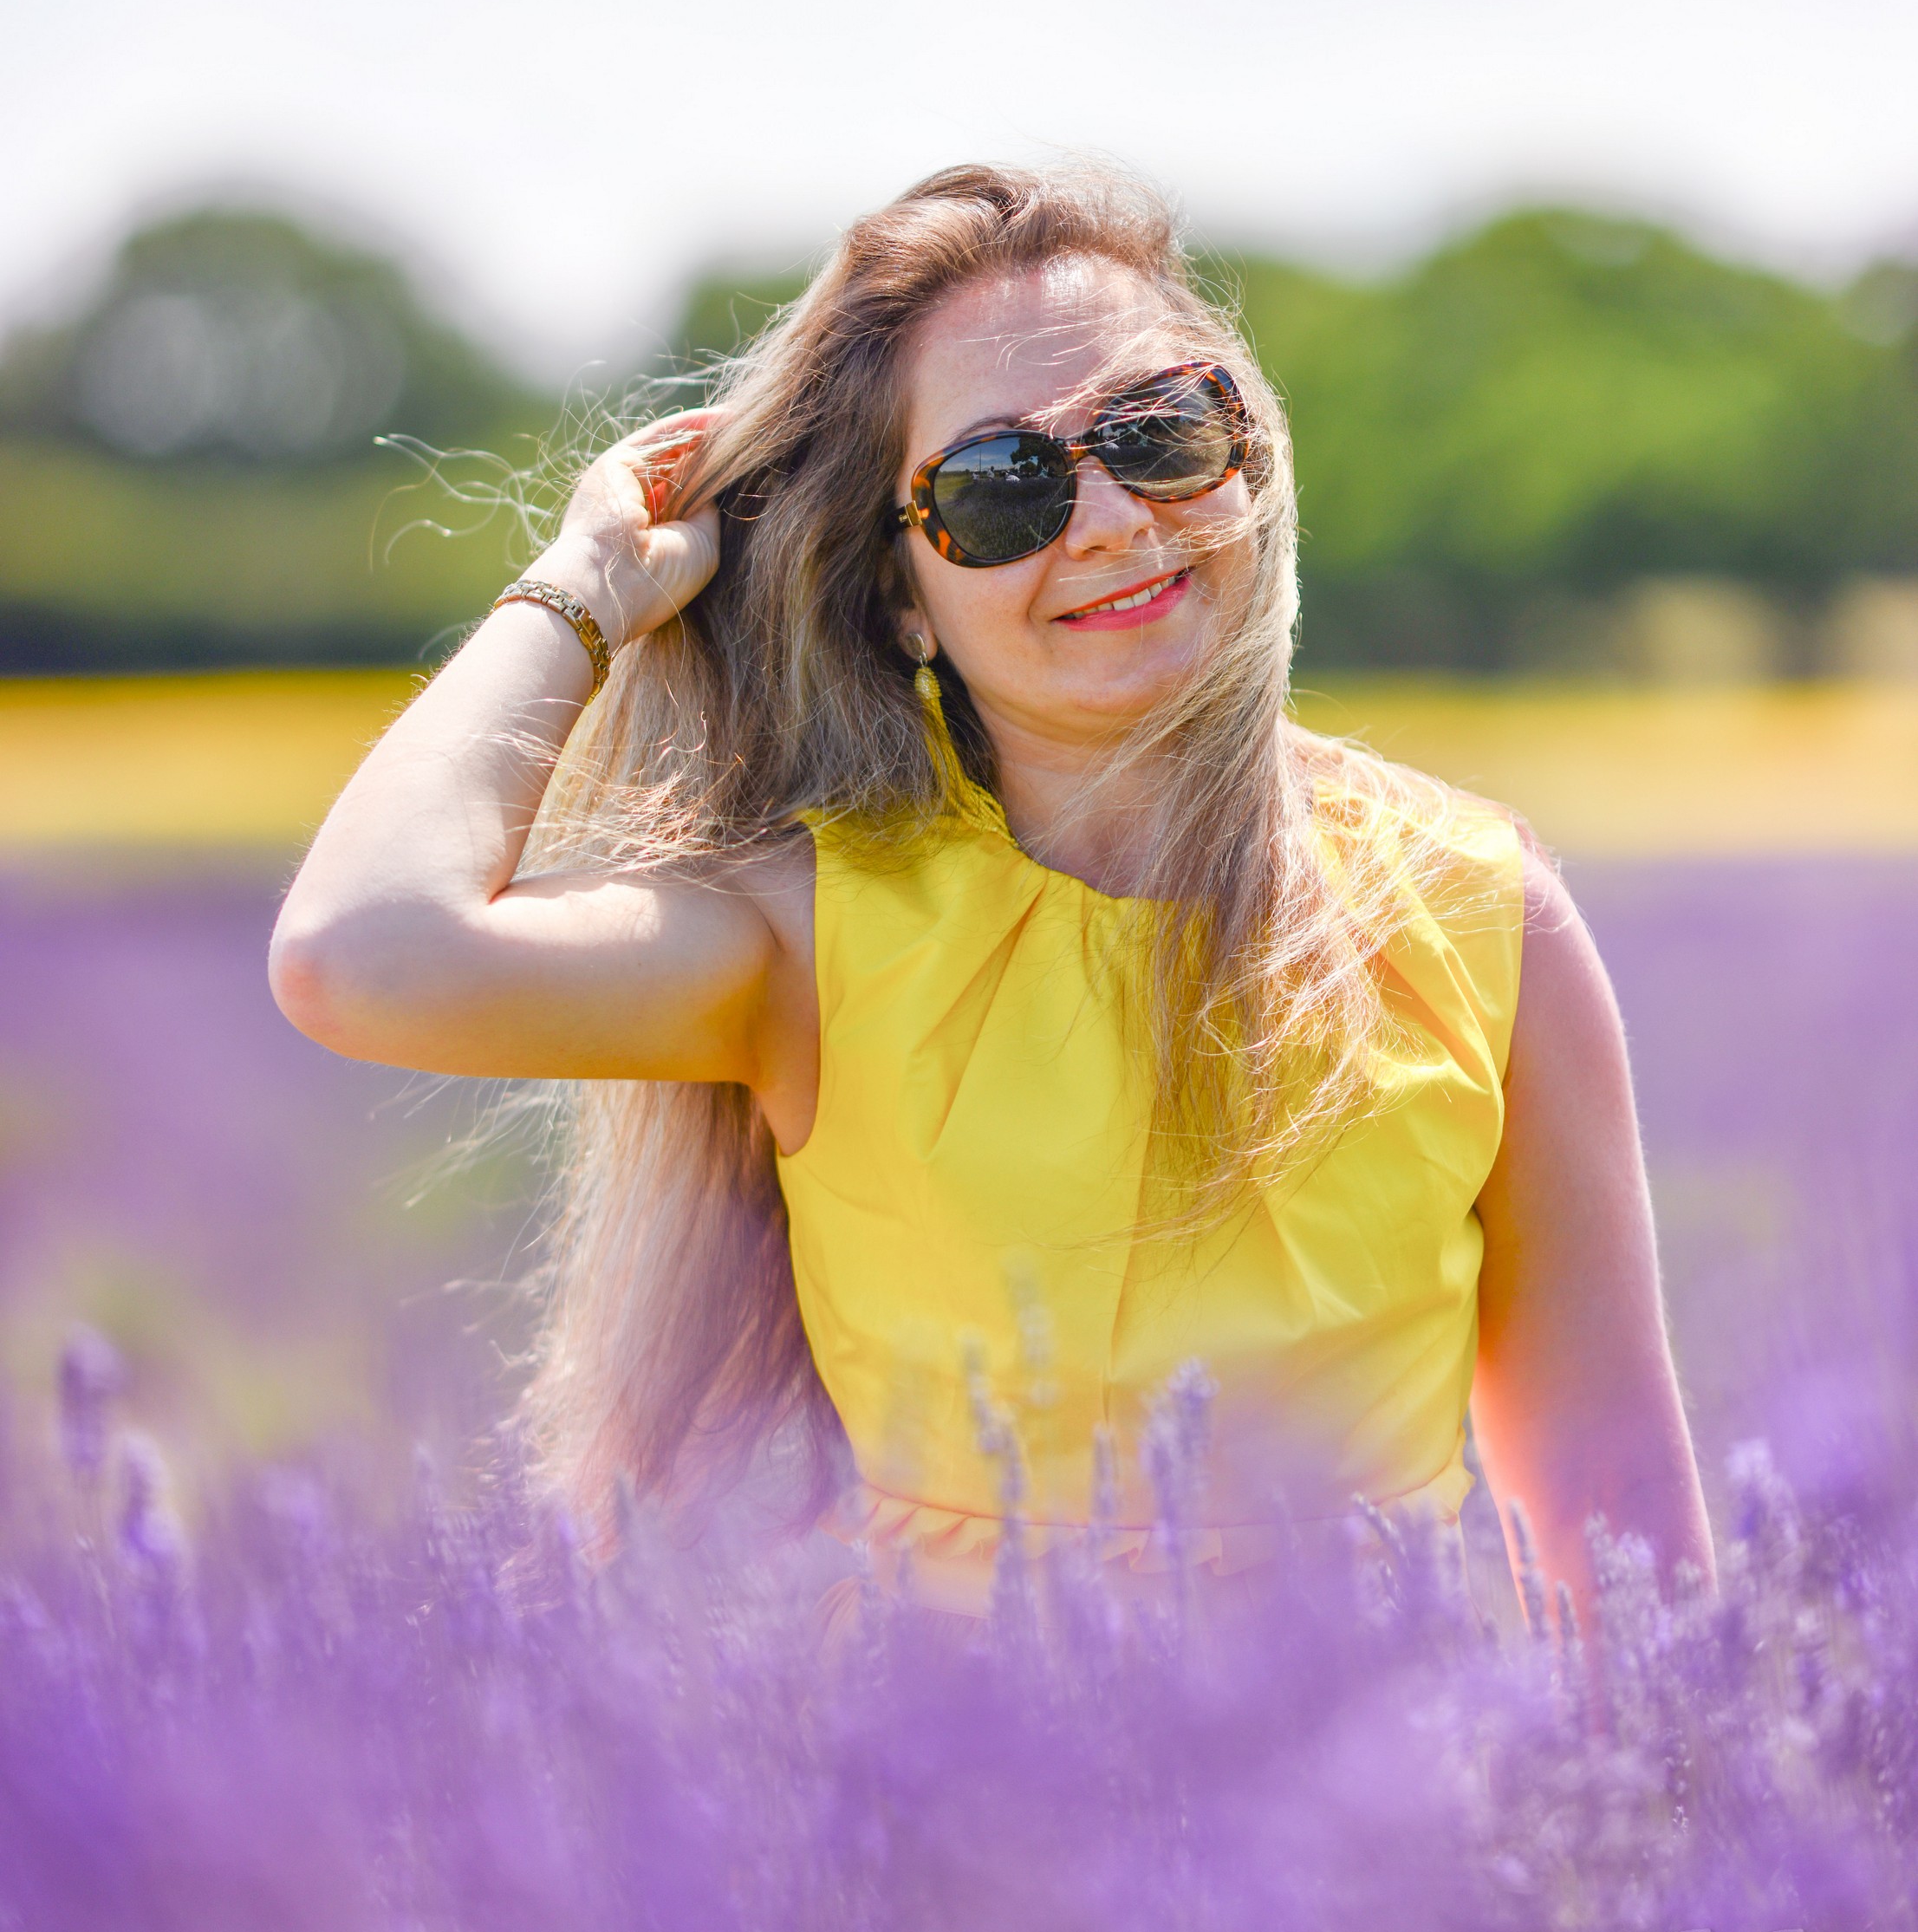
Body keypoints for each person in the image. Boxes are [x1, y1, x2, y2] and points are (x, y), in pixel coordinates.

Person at [270, 162, 1716, 1636]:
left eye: (1161, 433)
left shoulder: (1477, 911)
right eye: (998, 489)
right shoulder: (815, 936)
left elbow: (1615, 1504)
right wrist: (581, 589)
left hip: (1379, 1821)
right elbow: (359, 955)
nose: (1102, 520)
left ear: (1249, 458)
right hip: (961, 1831)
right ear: (901, 593)